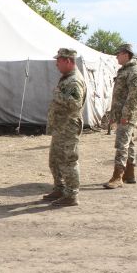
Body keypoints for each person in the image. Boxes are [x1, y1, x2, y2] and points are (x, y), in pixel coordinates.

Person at [43, 48, 87, 207]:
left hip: (68, 127)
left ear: (68, 61)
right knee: (54, 160)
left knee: (68, 161)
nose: (56, 64)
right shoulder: (67, 78)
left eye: (59, 61)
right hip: (61, 127)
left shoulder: (74, 80)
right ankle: (60, 188)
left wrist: (57, 95)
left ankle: (71, 195)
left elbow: (75, 104)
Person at [104, 43, 137, 189]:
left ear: (126, 54)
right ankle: (130, 174)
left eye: (118, 53)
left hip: (126, 115)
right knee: (129, 143)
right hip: (122, 113)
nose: (116, 56)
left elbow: (134, 96)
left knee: (121, 144)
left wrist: (125, 115)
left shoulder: (134, 71)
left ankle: (117, 176)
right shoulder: (126, 69)